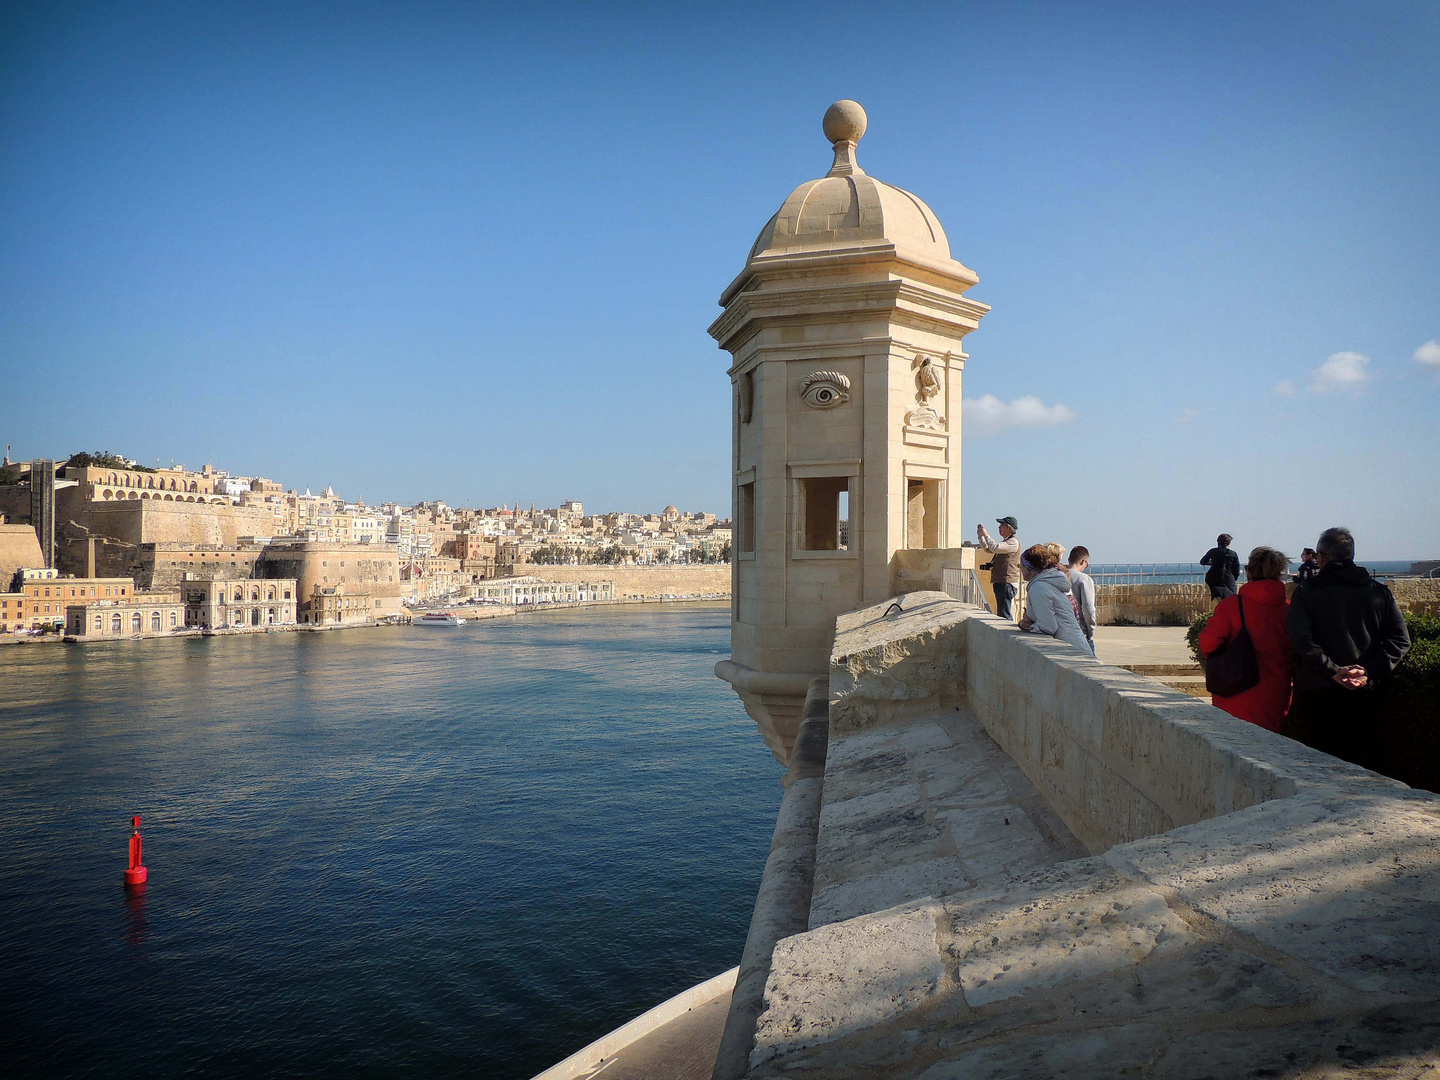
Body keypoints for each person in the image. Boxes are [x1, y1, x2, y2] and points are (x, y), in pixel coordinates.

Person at [1286, 527, 1410, 766]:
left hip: (1321, 690)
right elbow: (1400, 640)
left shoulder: (1308, 592)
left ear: (1321, 557)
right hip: (1366, 690)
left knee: (1326, 765)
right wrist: (1367, 671)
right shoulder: (1378, 592)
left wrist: (1333, 670)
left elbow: (1301, 638)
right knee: (1364, 763)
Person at [1197, 546, 1293, 732]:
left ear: (1249, 572)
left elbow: (1208, 643)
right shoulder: (1288, 608)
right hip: (1277, 691)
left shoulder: (1232, 606)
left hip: (1237, 691)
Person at [1017, 543, 1091, 653]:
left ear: (1029, 568)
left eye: (1021, 565)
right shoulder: (1047, 583)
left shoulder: (1038, 588)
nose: (1020, 569)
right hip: (1075, 646)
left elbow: (1048, 627)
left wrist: (1027, 626)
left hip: (1071, 651)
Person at [977, 516, 1021, 620]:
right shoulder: (1007, 542)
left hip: (1006, 583)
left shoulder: (1013, 542)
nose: (999, 527)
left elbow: (995, 547)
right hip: (1002, 582)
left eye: (1002, 525)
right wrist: (981, 537)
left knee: (1004, 615)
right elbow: (989, 550)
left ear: (1009, 528)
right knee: (1002, 612)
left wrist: (986, 535)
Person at [1067, 546, 1097, 656]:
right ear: (1083, 561)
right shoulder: (1083, 579)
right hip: (1080, 631)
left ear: (1069, 559)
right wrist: (1091, 630)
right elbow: (1088, 607)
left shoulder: (1059, 575)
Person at [1200, 534, 1241, 599]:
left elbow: (1203, 561)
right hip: (1228, 580)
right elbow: (1236, 569)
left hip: (1214, 579)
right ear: (1229, 543)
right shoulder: (1233, 554)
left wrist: (1213, 563)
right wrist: (1233, 578)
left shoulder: (1213, 551)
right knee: (1231, 599)